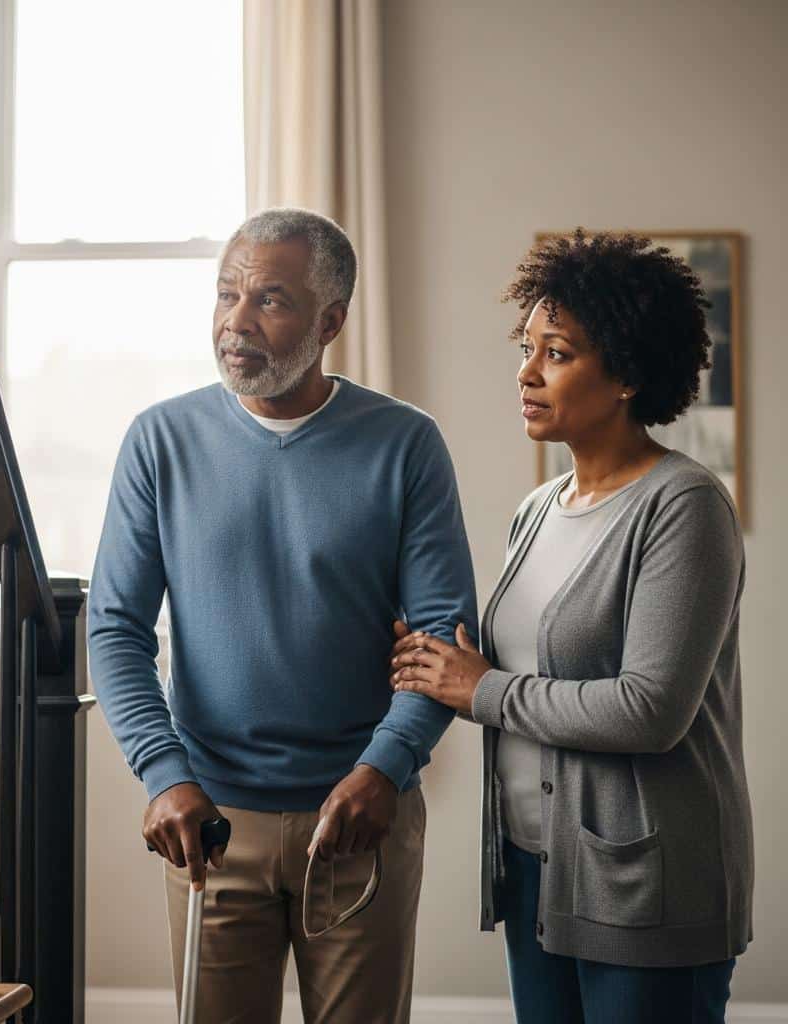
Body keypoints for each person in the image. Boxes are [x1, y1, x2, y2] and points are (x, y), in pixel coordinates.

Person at [88, 207, 477, 1023]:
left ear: (330, 319)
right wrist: (164, 775)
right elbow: (116, 629)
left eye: (270, 300)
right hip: (209, 823)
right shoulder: (160, 441)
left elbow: (445, 634)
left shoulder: (406, 444)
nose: (236, 322)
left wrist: (387, 766)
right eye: (227, 294)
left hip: (362, 813)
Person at [389, 230, 753, 1024]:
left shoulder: (683, 507)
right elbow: (517, 672)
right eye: (526, 348)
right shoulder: (536, 511)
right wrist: (438, 667)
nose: (526, 373)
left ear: (624, 371)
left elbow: (649, 710)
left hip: (643, 885)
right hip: (537, 875)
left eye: (556, 352)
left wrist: (483, 689)